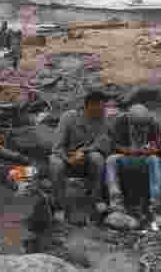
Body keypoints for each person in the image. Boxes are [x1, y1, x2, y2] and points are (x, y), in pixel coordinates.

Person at [49, 88, 113, 222]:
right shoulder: (69, 117)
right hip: (67, 160)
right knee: (55, 163)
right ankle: (59, 207)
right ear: (89, 106)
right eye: (101, 107)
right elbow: (57, 147)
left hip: (87, 161)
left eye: (104, 108)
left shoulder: (103, 120)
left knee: (98, 158)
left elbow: (103, 144)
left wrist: (84, 152)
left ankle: (97, 199)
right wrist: (69, 159)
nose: (103, 110)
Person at [104, 104, 161, 227]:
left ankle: (157, 210)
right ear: (130, 120)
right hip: (127, 158)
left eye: (143, 126)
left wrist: (152, 150)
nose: (141, 129)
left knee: (155, 161)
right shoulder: (120, 122)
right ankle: (116, 206)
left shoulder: (154, 124)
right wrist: (128, 151)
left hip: (146, 159)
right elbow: (113, 145)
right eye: (137, 126)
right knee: (111, 160)